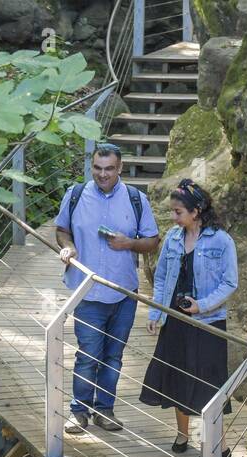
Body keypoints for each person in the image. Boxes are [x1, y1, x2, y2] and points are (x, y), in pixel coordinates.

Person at [55, 144, 160, 434]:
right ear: (92, 167)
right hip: (87, 291)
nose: (103, 174)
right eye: (98, 168)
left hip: (124, 292)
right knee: (88, 354)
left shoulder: (136, 199)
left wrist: (129, 243)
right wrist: (69, 247)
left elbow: (152, 240)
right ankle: (78, 411)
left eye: (109, 169)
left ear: (120, 168)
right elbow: (61, 230)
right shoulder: (76, 195)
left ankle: (105, 409)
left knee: (113, 355)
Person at [138, 179, 238, 457]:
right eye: (172, 211)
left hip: (208, 321)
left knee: (209, 381)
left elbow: (230, 283)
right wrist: (156, 314)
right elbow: (161, 278)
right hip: (175, 318)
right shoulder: (172, 237)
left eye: (178, 211)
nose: (173, 217)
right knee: (176, 375)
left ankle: (218, 446)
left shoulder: (221, 240)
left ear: (196, 211)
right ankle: (183, 434)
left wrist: (201, 305)